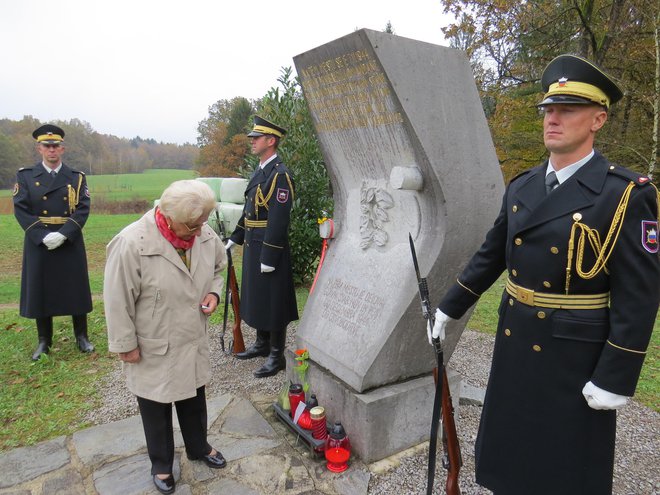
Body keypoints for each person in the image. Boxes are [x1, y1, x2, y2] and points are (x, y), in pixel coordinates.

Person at [429, 54, 659, 494]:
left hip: (574, 352)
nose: (552, 118)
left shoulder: (625, 194)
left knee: (564, 465)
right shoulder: (523, 186)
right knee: (511, 452)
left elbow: (640, 294)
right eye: (548, 109)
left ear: (598, 119)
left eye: (567, 109)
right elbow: (491, 254)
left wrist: (616, 375)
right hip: (516, 336)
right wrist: (449, 307)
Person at [104, 180, 228, 494]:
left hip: (190, 336)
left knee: (193, 397)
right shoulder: (132, 243)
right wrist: (125, 344)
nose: (200, 231)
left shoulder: (202, 232)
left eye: (203, 223)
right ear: (168, 216)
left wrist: (213, 293)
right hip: (153, 341)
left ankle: (199, 447)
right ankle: (161, 464)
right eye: (192, 225)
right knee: (155, 405)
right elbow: (116, 299)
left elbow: (218, 268)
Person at [13, 124, 94, 360]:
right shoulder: (25, 176)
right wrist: (41, 235)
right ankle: (44, 341)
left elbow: (82, 209)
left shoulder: (77, 177)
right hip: (39, 240)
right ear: (39, 149)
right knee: (41, 289)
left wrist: (65, 233)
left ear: (63, 149)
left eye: (56, 146)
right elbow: (21, 209)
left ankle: (82, 337)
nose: (51, 150)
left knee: (76, 287)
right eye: (47, 146)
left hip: (69, 239)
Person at [225, 116, 299, 378]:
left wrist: (269, 255)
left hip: (270, 247)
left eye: (257, 138)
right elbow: (249, 211)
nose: (252, 142)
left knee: (274, 300)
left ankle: (277, 355)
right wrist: (236, 238)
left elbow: (278, 219)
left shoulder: (280, 175)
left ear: (271, 141)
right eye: (252, 138)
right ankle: (262, 343)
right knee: (258, 295)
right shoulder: (260, 171)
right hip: (254, 244)